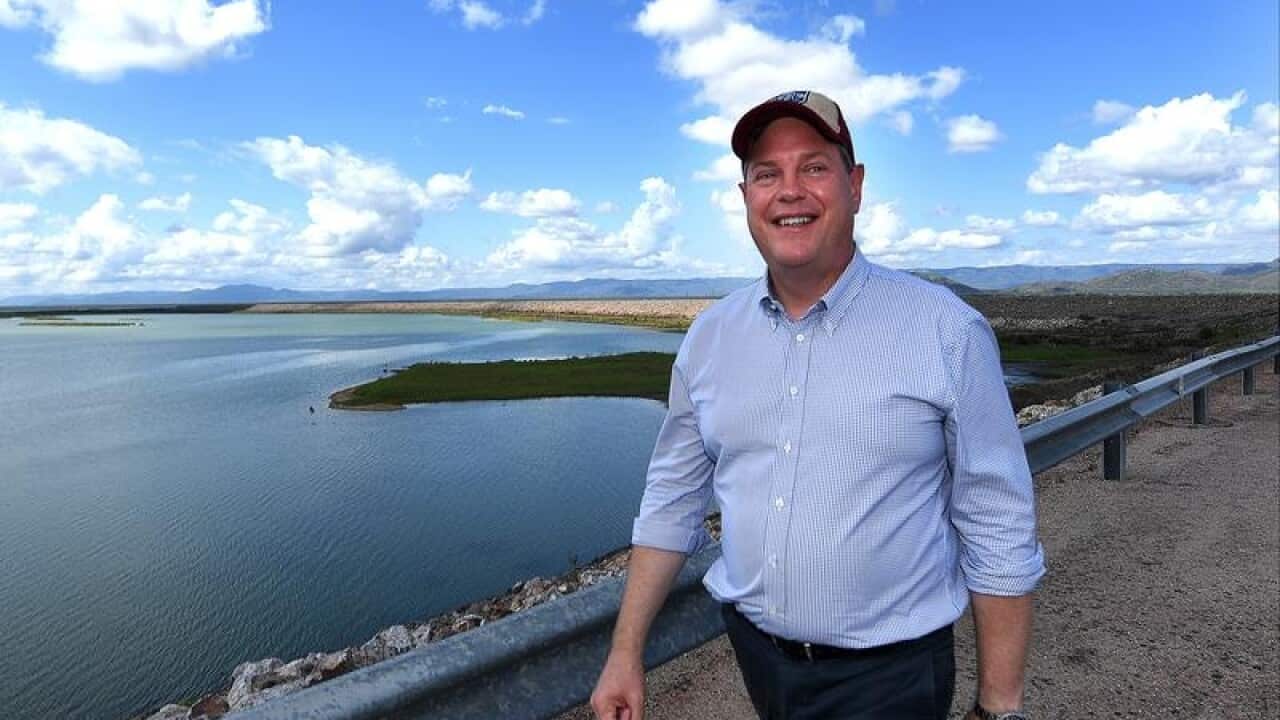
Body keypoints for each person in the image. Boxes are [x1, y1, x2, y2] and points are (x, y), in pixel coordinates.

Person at [590, 90, 1045, 720]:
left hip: (889, 679)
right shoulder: (710, 339)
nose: (789, 191)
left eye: (814, 167)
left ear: (855, 185)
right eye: (766, 174)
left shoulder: (945, 330)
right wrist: (624, 654)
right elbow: (671, 502)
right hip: (754, 655)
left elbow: (996, 519)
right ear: (744, 196)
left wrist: (1000, 706)